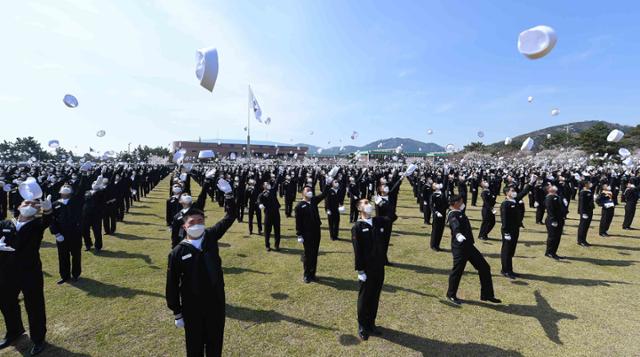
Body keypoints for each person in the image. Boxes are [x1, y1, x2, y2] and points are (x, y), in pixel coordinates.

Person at [166, 179, 236, 357]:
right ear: (184, 226)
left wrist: (229, 195)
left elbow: (230, 216)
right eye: (191, 222)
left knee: (215, 345)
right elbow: (172, 284)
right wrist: (177, 312)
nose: (196, 224)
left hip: (216, 302)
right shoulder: (178, 252)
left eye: (200, 220)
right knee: (195, 347)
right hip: (192, 307)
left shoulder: (210, 236)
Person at [0, 196, 53, 356]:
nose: (29, 205)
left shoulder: (36, 225)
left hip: (30, 272)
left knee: (34, 305)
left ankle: (38, 339)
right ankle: (14, 331)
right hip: (6, 272)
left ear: (37, 210)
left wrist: (48, 210)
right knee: (6, 301)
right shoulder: (5, 224)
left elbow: (47, 220)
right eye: (26, 202)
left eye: (33, 205)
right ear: (19, 206)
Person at [351, 198, 397, 341]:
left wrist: (384, 203)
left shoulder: (377, 221)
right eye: (365, 203)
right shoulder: (357, 227)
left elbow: (392, 217)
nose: (368, 204)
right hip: (367, 269)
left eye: (369, 202)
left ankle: (371, 323)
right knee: (364, 298)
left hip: (379, 266)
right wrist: (360, 271)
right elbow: (357, 251)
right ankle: (362, 326)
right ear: (359, 208)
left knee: (375, 296)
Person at [445, 195, 500, 305]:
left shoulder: (459, 212)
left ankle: (487, 294)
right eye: (461, 202)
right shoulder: (452, 214)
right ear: (455, 203)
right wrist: (458, 234)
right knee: (458, 271)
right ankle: (451, 294)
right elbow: (454, 224)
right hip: (460, 247)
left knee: (484, 267)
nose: (463, 203)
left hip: (469, 246)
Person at [295, 178, 331, 283]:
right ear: (302, 193)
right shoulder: (299, 206)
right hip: (307, 233)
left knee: (315, 253)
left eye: (311, 190)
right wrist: (299, 234)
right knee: (308, 254)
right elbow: (298, 222)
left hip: (316, 231)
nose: (310, 192)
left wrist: (328, 184)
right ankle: (306, 274)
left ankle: (312, 273)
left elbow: (324, 194)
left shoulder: (313, 201)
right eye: (307, 190)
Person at [499, 175, 535, 279]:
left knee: (511, 250)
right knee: (506, 250)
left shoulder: (514, 200)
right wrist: (506, 232)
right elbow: (504, 219)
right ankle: (505, 270)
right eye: (511, 190)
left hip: (515, 229)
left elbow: (524, 192)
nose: (514, 191)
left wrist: (531, 182)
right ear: (507, 193)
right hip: (508, 231)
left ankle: (510, 270)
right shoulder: (505, 204)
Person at [49, 185, 85, 284]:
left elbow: (82, 188)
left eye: (67, 190)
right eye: (63, 190)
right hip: (61, 234)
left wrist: (84, 175)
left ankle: (76, 274)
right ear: (60, 193)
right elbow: (51, 220)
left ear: (70, 193)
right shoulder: (55, 204)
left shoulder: (76, 202)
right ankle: (65, 276)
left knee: (76, 254)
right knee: (63, 256)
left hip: (75, 233)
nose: (65, 193)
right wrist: (56, 233)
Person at [544, 185, 565, 260]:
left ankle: (554, 252)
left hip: (559, 219)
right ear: (548, 190)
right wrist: (553, 220)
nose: (553, 187)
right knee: (552, 237)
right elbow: (550, 210)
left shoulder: (557, 196)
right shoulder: (549, 198)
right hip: (552, 220)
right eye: (550, 187)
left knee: (557, 237)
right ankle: (549, 252)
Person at [429, 181, 447, 251]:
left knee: (440, 230)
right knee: (435, 230)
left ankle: (437, 245)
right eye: (435, 184)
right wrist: (436, 212)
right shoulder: (433, 195)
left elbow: (445, 203)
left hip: (443, 213)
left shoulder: (442, 193)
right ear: (433, 187)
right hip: (437, 215)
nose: (437, 184)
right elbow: (431, 205)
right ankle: (433, 245)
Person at [577, 180, 595, 247]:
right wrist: (583, 212)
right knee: (583, 226)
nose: (590, 184)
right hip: (585, 212)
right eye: (588, 183)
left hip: (589, 211)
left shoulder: (589, 191)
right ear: (585, 185)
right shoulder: (583, 192)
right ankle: (580, 240)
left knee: (586, 226)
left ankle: (583, 240)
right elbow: (582, 204)